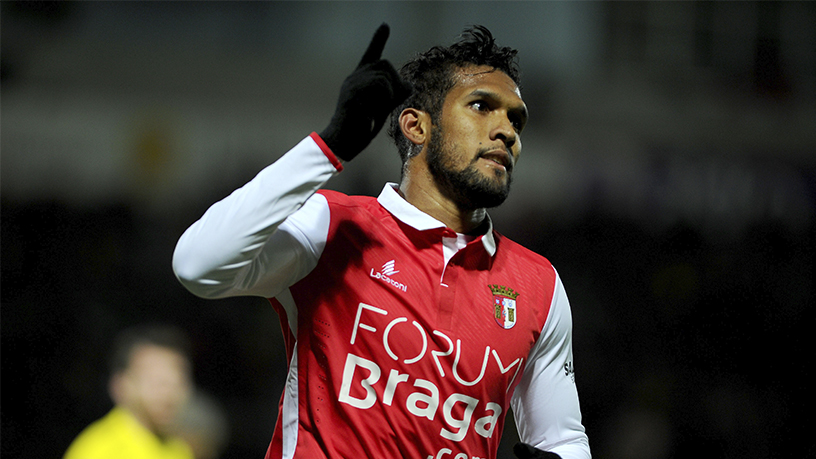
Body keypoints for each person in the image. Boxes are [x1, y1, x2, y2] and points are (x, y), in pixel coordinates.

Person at [173, 24, 590, 459]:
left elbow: (561, 439)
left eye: (516, 119)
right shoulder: (333, 226)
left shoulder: (539, 285)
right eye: (482, 106)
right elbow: (198, 265)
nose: (506, 131)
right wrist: (328, 145)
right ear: (416, 126)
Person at [63, 324, 195, 459]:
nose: (168, 393)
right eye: (156, 381)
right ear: (120, 385)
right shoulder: (98, 451)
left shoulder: (178, 448)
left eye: (176, 382)